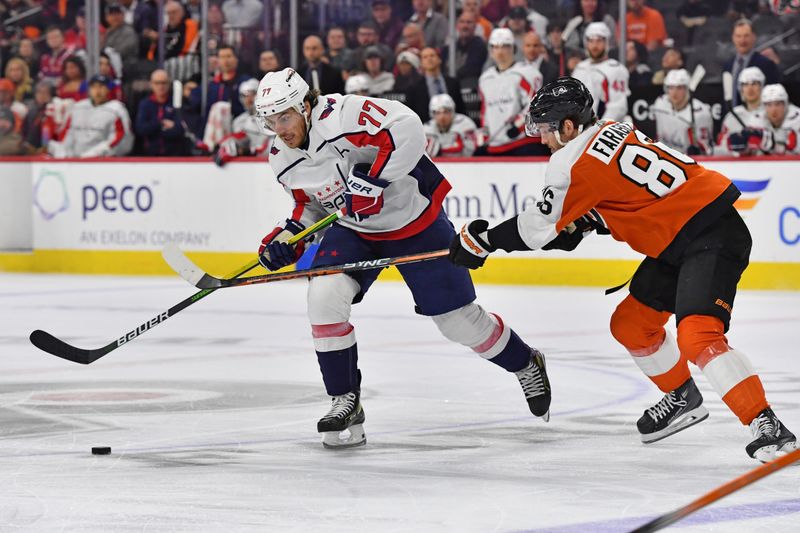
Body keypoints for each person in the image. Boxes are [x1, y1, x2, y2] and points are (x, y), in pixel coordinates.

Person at [448, 76, 798, 463]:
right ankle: (683, 396)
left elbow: (535, 228)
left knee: (697, 336)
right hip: (679, 237)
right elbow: (632, 193)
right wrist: (586, 221)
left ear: (568, 126)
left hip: (708, 235)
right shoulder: (613, 129)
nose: (542, 138)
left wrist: (481, 240)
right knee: (631, 324)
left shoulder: (570, 161)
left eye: (546, 128)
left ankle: (767, 424)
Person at [253, 67, 551, 448]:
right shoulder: (281, 155)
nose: (279, 129)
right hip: (355, 230)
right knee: (323, 296)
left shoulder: (344, 114)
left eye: (285, 116)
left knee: (457, 322)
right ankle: (345, 398)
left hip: (414, 221)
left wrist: (373, 180)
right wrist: (288, 237)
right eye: (270, 120)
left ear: (306, 106)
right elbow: (307, 208)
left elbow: (409, 129)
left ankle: (525, 363)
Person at [478, 28, 544, 156]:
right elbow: (485, 111)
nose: (500, 51)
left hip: (523, 142)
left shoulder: (527, 73)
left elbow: (536, 104)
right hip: (495, 144)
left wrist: (518, 126)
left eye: (505, 46)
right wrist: (484, 138)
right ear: (491, 51)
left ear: (513, 49)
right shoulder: (485, 79)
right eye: (496, 47)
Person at [48, 74, 134, 158]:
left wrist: (94, 154)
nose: (97, 91)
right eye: (94, 87)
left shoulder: (116, 110)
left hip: (103, 163)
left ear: (108, 89)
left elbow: (120, 138)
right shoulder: (77, 108)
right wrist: (64, 154)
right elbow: (67, 134)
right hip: (74, 162)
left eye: (102, 87)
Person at [571, 23, 629, 121]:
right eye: (591, 41)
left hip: (606, 128)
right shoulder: (579, 68)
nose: (595, 45)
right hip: (581, 128)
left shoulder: (617, 69)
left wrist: (600, 128)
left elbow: (618, 107)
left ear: (607, 43)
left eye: (599, 41)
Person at [213, 78, 275, 166]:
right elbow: (241, 140)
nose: (248, 99)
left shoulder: (271, 116)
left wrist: (247, 151)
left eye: (252, 94)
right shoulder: (239, 121)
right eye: (244, 95)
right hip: (250, 166)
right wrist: (228, 145)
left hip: (271, 163)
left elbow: (271, 147)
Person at [652, 68, 713, 155]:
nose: (674, 93)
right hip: (663, 158)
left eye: (679, 88)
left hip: (688, 162)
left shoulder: (700, 113)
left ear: (687, 88)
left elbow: (707, 150)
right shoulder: (660, 104)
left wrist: (699, 150)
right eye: (671, 87)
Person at [723, 19, 780, 107]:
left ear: (754, 37)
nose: (742, 40)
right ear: (733, 38)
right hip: (731, 116)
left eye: (746, 36)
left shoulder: (766, 64)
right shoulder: (728, 65)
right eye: (738, 36)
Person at [135, 69, 188, 157]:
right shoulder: (145, 104)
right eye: (157, 83)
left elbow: (180, 129)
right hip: (149, 156)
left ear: (168, 84)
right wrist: (161, 124)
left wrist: (154, 130)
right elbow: (140, 129)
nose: (160, 86)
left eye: (163, 83)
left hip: (174, 157)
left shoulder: (176, 103)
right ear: (151, 84)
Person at [406, 47, 465, 123]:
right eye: (425, 57)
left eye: (432, 55)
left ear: (439, 59)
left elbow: (461, 109)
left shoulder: (453, 83)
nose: (429, 59)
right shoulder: (413, 88)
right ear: (421, 63)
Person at [715, 66, 765, 155]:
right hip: (738, 167)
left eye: (754, 83)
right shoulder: (732, 116)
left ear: (761, 86)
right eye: (745, 84)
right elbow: (720, 150)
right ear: (740, 89)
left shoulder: (771, 113)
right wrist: (731, 146)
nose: (750, 88)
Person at [423, 93, 478, 157]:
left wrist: (439, 150)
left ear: (452, 111)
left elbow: (469, 151)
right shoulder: (427, 128)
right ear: (432, 114)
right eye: (437, 113)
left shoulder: (465, 124)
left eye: (445, 112)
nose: (442, 117)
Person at [440, 9, 488, 82]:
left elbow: (472, 70)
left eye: (469, 22)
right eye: (462, 22)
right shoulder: (450, 46)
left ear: (475, 26)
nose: (465, 26)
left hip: (469, 85)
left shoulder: (479, 45)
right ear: (457, 25)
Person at [753, 84, 800, 155]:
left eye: (778, 104)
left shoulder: (798, 119)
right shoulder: (756, 120)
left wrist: (775, 147)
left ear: (785, 104)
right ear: (763, 107)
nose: (774, 110)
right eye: (769, 105)